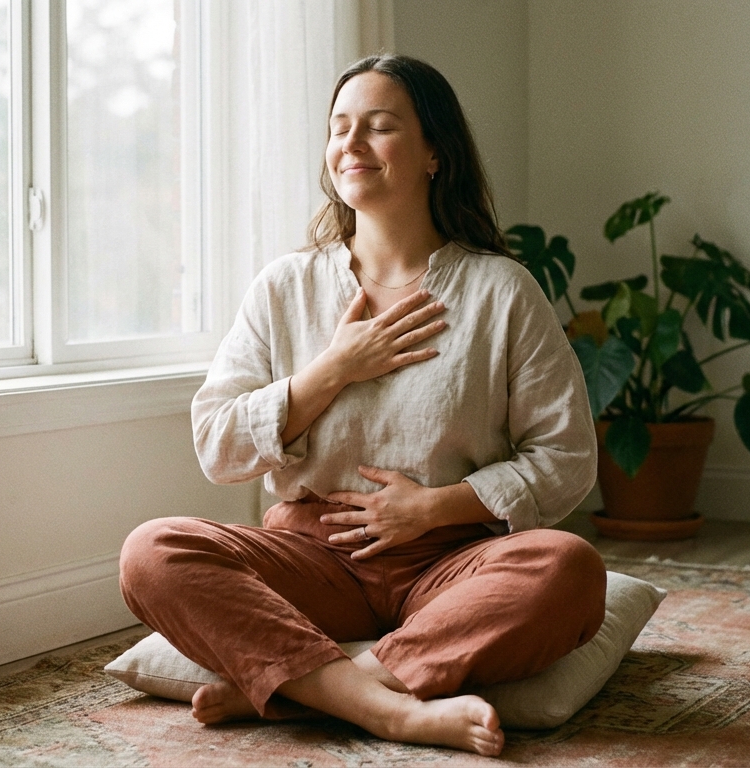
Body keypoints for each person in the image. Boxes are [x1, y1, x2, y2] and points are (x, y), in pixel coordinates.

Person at [119, 54, 604, 757]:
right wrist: (334, 370)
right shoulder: (284, 287)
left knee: (570, 569)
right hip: (310, 557)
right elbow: (217, 444)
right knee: (151, 552)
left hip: (450, 563)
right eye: (340, 127)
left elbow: (566, 459)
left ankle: (310, 692)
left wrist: (433, 508)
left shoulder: (502, 290)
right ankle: (389, 710)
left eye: (379, 127)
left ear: (436, 153)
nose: (351, 144)